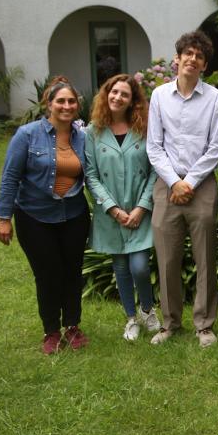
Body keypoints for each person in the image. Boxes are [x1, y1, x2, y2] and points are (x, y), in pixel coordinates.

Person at [0, 78, 91, 354]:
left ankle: (72, 325)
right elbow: (10, 177)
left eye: (71, 101)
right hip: (34, 217)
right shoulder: (27, 135)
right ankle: (51, 331)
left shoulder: (82, 138)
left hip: (73, 215)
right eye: (61, 101)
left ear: (77, 106)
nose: (66, 106)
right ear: (49, 104)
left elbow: (91, 176)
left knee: (72, 272)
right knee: (47, 275)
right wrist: (3, 218)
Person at [147, 30, 218, 347]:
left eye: (199, 56)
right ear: (177, 59)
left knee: (204, 256)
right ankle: (170, 323)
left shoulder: (214, 98)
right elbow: (154, 146)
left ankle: (204, 325)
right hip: (166, 185)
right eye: (188, 54)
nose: (192, 59)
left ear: (204, 65)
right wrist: (174, 182)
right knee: (166, 257)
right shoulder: (159, 96)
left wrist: (189, 182)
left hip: (201, 185)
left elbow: (216, 146)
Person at [84, 74, 160, 342]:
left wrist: (141, 207)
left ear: (132, 101)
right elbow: (90, 175)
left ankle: (148, 310)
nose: (117, 97)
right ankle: (131, 318)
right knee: (121, 268)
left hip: (140, 211)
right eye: (113, 92)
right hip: (111, 214)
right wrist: (113, 209)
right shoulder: (92, 132)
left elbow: (154, 171)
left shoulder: (144, 128)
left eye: (124, 94)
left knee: (139, 266)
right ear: (106, 94)